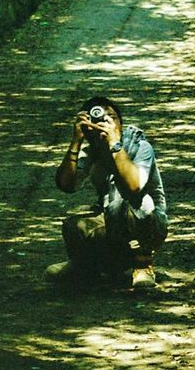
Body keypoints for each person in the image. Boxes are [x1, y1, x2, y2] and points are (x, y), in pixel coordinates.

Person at [45, 93, 168, 290]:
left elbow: (134, 186)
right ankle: (84, 266)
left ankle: (143, 264)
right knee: (73, 226)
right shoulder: (93, 151)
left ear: (120, 122)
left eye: (111, 117)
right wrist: (76, 141)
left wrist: (114, 144)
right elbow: (66, 185)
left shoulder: (140, 147)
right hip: (112, 220)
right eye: (99, 118)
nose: (105, 121)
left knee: (139, 205)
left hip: (148, 222)